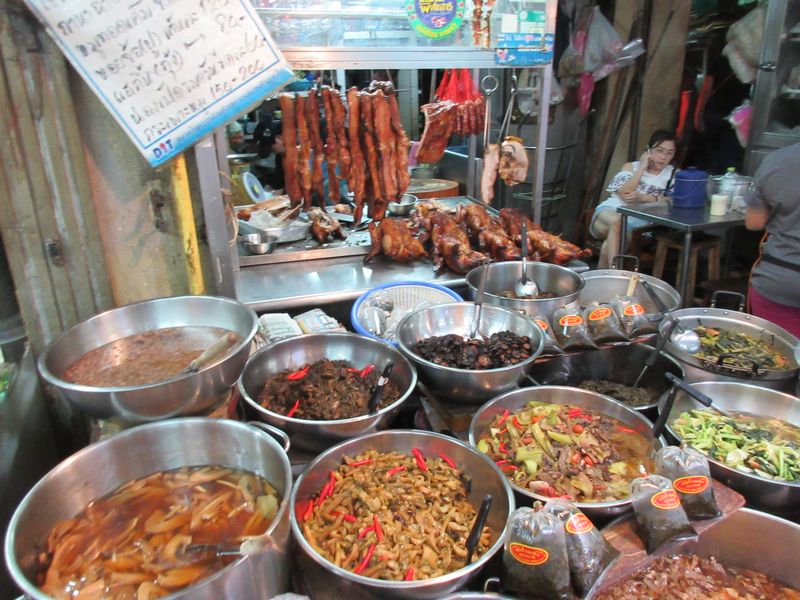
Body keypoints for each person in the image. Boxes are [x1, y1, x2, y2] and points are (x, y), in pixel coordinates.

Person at [590, 130, 677, 268]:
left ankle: (609, 277)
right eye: (659, 150)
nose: (663, 157)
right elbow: (625, 192)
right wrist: (642, 168)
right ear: (648, 150)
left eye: (669, 153)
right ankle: (616, 273)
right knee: (617, 222)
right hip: (610, 213)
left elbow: (673, 201)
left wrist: (644, 197)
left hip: (637, 226)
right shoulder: (631, 167)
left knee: (608, 247)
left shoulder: (673, 174)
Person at [744, 142, 800, 337]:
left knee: (777, 352)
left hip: (779, 277)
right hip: (780, 280)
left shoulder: (778, 159)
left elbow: (754, 222)